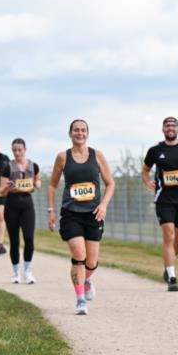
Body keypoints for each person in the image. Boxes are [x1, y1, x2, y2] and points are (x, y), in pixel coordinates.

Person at [47, 119, 114, 315]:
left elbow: (110, 184)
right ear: (70, 133)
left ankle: (86, 279)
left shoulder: (97, 155)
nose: (80, 133)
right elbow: (52, 185)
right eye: (76, 130)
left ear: (87, 133)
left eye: (83, 130)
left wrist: (103, 205)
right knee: (79, 256)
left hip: (93, 213)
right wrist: (51, 210)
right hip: (71, 213)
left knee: (91, 262)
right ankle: (80, 300)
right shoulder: (62, 157)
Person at [142, 116, 178, 292]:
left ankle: (169, 265)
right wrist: (147, 182)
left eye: (173, 126)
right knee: (169, 235)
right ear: (163, 129)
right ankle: (172, 277)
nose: (170, 128)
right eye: (167, 126)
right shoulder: (154, 150)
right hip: (163, 199)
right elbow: (145, 170)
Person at [1, 138, 41, 284]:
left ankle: (28, 271)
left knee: (29, 238)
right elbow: (1, 190)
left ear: (25, 149)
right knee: (14, 240)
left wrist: (37, 183)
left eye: (20, 149)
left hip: (27, 205)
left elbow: (38, 181)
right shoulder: (7, 167)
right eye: (14, 150)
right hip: (11, 205)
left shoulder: (33, 165)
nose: (17, 152)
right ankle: (16, 272)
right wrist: (8, 188)